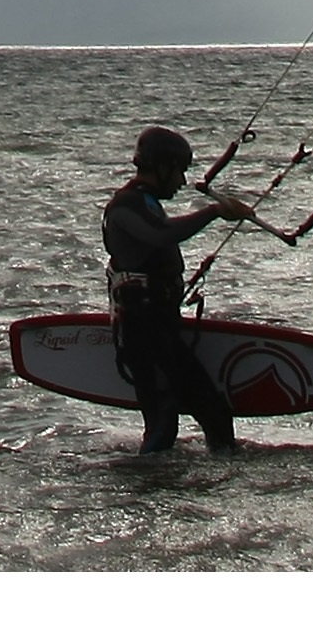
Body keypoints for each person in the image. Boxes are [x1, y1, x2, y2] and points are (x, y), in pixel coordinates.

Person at [104, 126, 258, 456]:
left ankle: (169, 488)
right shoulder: (125, 207)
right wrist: (215, 211)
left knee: (209, 413)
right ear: (162, 166)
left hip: (159, 324)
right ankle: (147, 489)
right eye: (179, 172)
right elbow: (161, 235)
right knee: (167, 418)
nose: (183, 182)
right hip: (142, 329)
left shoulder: (145, 202)